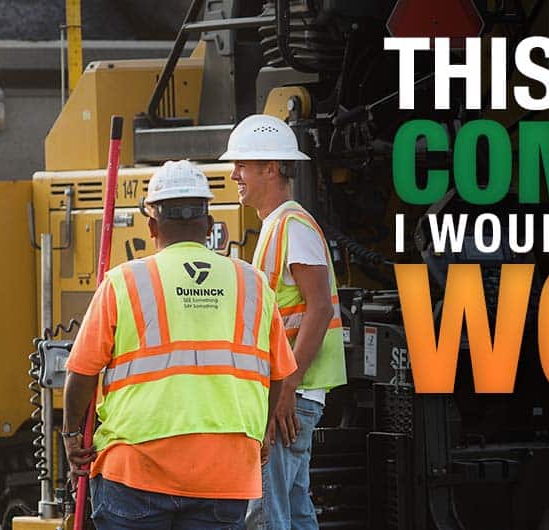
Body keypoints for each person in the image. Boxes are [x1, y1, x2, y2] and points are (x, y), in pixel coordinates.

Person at [62, 160, 297, 530]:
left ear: (152, 225)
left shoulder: (123, 282)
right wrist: (261, 432)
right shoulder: (252, 284)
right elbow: (277, 375)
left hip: (136, 470)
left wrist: (72, 435)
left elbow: (81, 372)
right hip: (227, 471)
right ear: (208, 225)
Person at [222, 115, 347, 530]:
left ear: (271, 168)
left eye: (242, 164)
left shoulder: (293, 226)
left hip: (290, 395)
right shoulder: (279, 227)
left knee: (265, 512)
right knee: (292, 510)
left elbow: (320, 309)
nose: (234, 174)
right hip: (290, 393)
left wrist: (286, 388)